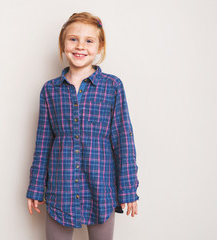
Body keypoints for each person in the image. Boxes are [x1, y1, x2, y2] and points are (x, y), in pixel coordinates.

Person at [26, 12, 139, 240]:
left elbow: (123, 139)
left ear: (99, 46)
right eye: (73, 39)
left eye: (89, 40)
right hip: (60, 189)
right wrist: (36, 188)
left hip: (101, 190)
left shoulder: (112, 87)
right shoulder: (50, 90)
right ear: (63, 44)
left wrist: (128, 189)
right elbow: (43, 144)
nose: (80, 46)